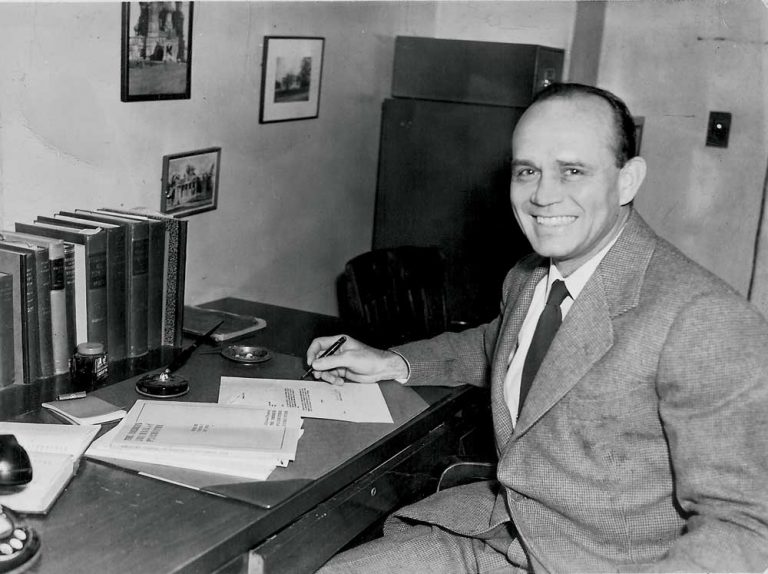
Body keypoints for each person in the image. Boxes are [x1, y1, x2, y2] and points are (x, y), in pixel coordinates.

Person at [306, 83, 768, 573]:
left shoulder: (703, 318)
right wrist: (393, 361)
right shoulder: (530, 276)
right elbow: (499, 345)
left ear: (628, 181)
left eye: (573, 171)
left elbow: (745, 529)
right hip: (502, 537)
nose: (544, 195)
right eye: (528, 171)